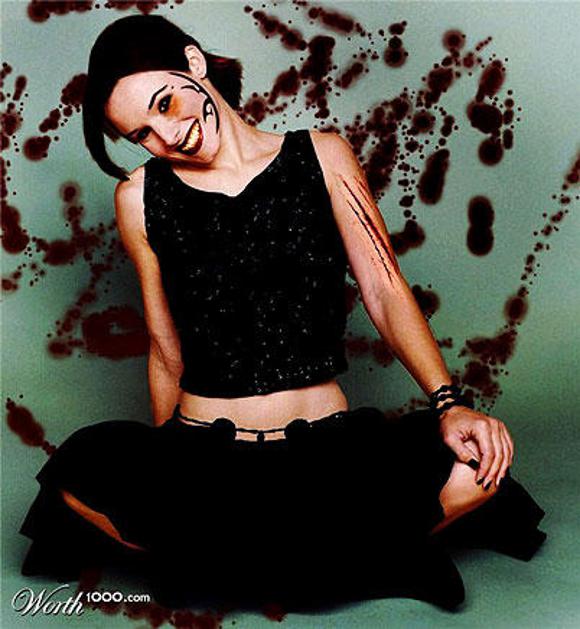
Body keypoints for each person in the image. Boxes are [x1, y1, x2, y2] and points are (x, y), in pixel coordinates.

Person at [19, 15, 547, 612]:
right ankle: (328, 552)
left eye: (166, 104)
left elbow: (384, 289)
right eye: (142, 133)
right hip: (211, 455)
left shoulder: (323, 156)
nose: (168, 135)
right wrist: (171, 475)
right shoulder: (139, 197)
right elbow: (166, 346)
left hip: (330, 456)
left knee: (479, 468)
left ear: (194, 63)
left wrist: (449, 404)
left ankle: (256, 558)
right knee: (79, 469)